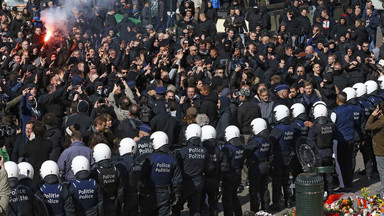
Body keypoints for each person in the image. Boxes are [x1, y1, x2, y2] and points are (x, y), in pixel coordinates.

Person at [173, 124, 211, 216]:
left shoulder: (183, 151)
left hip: (185, 183)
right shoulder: (205, 151)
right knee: (195, 210)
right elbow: (209, 168)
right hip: (199, 183)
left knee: (176, 208)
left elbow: (177, 169)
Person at [140, 131, 181, 216]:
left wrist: (142, 192)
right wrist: (176, 194)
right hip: (166, 194)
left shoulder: (151, 158)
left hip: (151, 194)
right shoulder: (172, 159)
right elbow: (177, 180)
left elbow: (142, 177)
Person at [269, 105, 295, 211]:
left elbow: (271, 141)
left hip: (278, 158)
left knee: (277, 182)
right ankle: (288, 200)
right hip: (288, 157)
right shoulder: (291, 128)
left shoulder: (277, 129)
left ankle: (277, 203)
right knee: (286, 180)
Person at [308, 103, 335, 195]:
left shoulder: (314, 128)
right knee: (329, 175)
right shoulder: (332, 126)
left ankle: (320, 194)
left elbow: (310, 143)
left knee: (319, 176)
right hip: (329, 152)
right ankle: (331, 193)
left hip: (318, 154)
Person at [331, 92, 355, 192]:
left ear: (337, 100)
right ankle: (349, 183)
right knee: (348, 161)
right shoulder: (351, 109)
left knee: (339, 163)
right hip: (350, 138)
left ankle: (342, 185)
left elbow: (332, 126)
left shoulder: (335, 112)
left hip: (340, 140)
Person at [246, 118, 271, 212]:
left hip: (256, 167)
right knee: (264, 188)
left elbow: (246, 151)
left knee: (254, 190)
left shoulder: (256, 141)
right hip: (265, 165)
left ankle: (255, 210)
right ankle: (266, 208)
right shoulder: (267, 140)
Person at [90, 143, 123, 216]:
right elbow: (120, 190)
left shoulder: (95, 172)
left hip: (101, 206)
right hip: (114, 203)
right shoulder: (116, 169)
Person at [221, 125, 244, 216]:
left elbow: (224, 165)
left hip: (229, 176)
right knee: (234, 196)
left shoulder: (227, 148)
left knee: (227, 198)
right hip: (237, 174)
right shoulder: (241, 147)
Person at [201, 125, 223, 216]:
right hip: (215, 179)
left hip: (204, 178)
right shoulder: (218, 149)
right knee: (213, 203)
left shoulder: (202, 150)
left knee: (203, 203)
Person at [365, 102, 384, 198]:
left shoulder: (381, 121)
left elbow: (367, 126)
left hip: (381, 150)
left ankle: (383, 192)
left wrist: (372, 116)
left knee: (382, 172)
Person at [115, 138, 138, 215]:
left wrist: (120, 201)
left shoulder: (121, 164)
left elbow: (121, 184)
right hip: (137, 196)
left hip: (126, 198)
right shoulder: (138, 162)